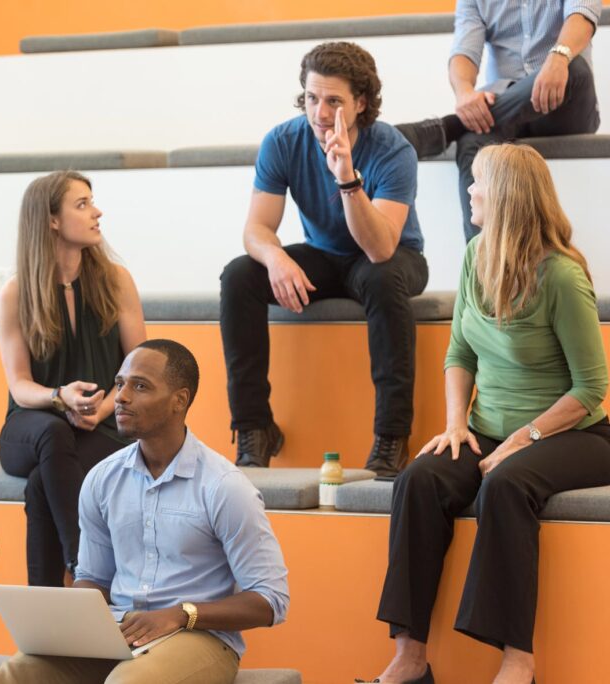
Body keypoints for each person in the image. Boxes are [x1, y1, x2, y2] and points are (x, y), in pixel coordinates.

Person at [363, 144, 610, 684]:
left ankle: (518, 663)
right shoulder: (477, 254)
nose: (469, 191)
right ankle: (410, 657)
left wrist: (522, 438)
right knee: (419, 479)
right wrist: (456, 423)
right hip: (487, 429)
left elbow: (592, 388)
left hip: (574, 433)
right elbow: (460, 353)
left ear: (507, 197)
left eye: (477, 182)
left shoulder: (563, 277)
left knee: (505, 485)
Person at [0, 339, 290, 684]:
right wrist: (71, 618)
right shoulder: (102, 479)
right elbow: (93, 579)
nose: (122, 397)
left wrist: (180, 615)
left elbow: (270, 600)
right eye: (120, 384)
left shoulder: (224, 487)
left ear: (180, 400)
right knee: (5, 678)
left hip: (200, 638)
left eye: (140, 386)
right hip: (119, 633)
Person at [220, 41, 428, 475]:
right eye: (312, 98)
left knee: (380, 278)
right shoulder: (283, 141)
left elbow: (380, 248)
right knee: (240, 275)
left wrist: (348, 180)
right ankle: (255, 428)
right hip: (326, 256)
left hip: (392, 256)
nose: (319, 113)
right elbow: (255, 229)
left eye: (333, 101)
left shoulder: (393, 149)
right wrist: (276, 258)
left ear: (361, 103)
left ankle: (391, 437)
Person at [0, 170, 146, 588]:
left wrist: (103, 407)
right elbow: (20, 386)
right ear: (51, 221)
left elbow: (139, 370)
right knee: (51, 436)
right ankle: (82, 565)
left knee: (45, 481)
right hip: (33, 422)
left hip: (101, 423)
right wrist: (60, 398)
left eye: (92, 201)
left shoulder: (117, 281)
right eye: (82, 204)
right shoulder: (13, 294)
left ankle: (44, 610)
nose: (97, 212)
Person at [398, 0, 602, 242]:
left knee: (574, 67)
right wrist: (465, 93)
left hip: (565, 105)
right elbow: (464, 52)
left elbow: (582, 16)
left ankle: (451, 126)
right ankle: (481, 264)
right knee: (472, 141)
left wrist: (557, 58)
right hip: (507, 113)